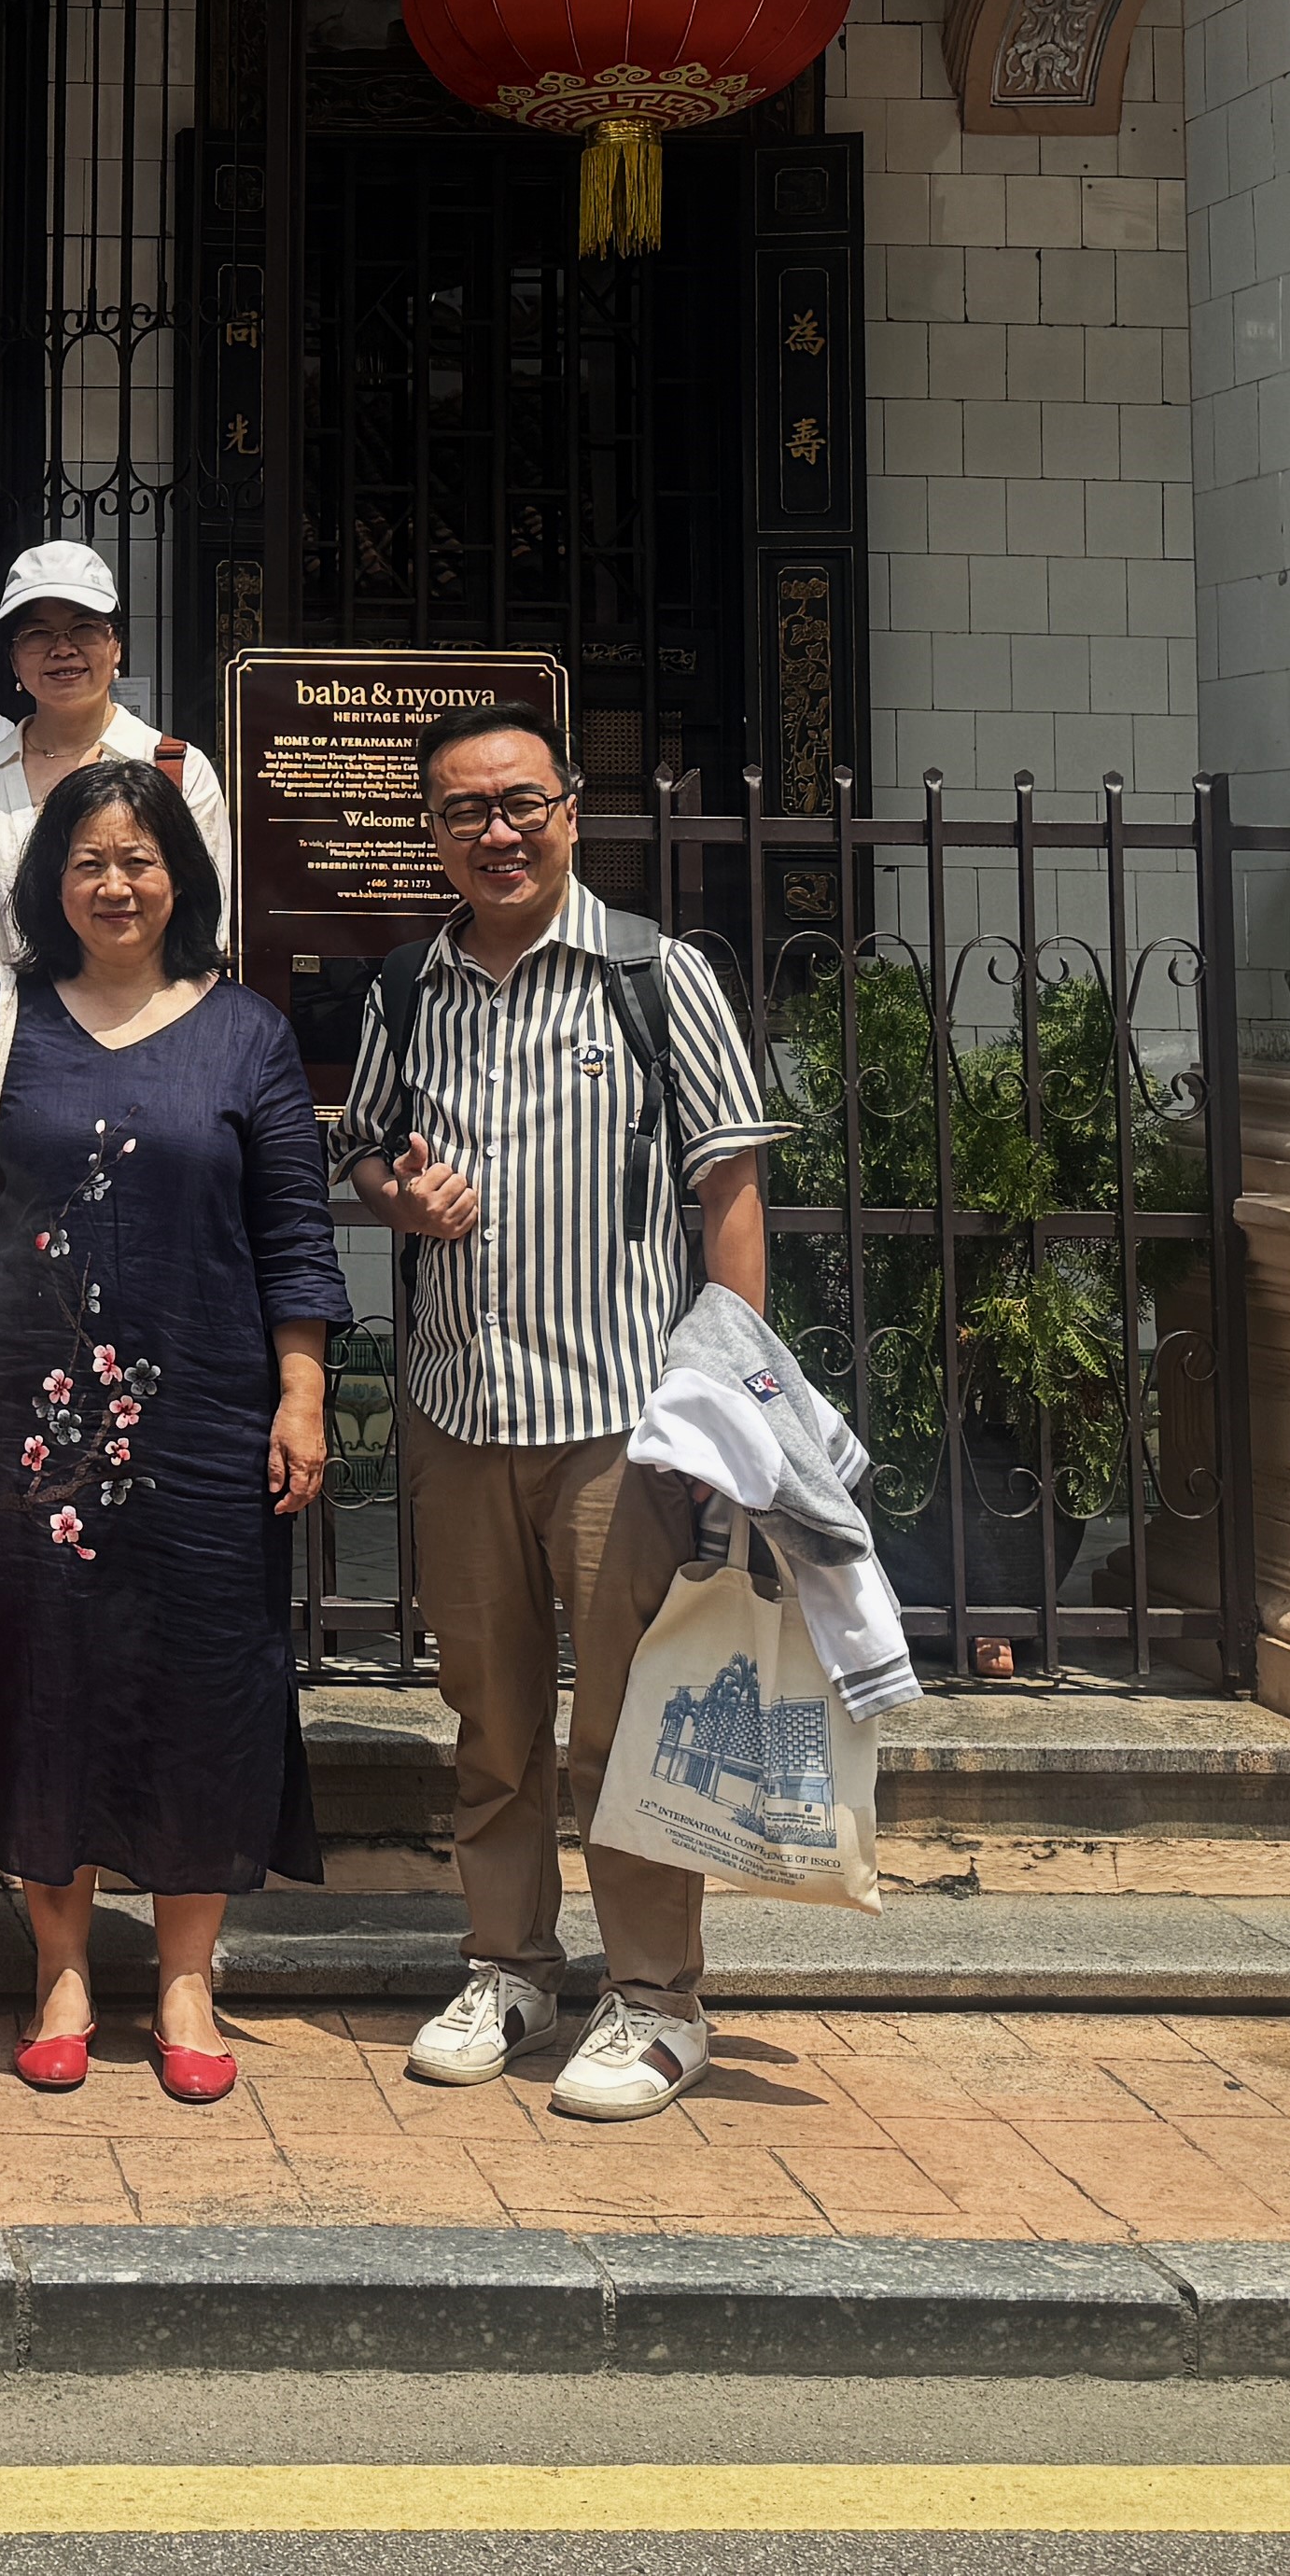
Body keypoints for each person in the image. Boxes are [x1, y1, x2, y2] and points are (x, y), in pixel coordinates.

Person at [336, 696, 784, 2125]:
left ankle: (656, 1998)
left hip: (621, 1417)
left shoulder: (657, 978)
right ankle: (510, 1964)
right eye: (463, 810)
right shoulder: (409, 988)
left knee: (633, 1727)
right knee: (492, 1720)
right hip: (462, 1412)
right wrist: (396, 1195)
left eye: (520, 802)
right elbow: (364, 1153)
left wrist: (730, 1403)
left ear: (571, 811)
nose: (497, 831)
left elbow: (731, 1192)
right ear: (432, 833)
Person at [0, 758, 339, 2106]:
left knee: (206, 1676)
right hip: (34, 1411)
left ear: (180, 879)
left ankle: (191, 1975)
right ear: (50, 883)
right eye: (88, 861)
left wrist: (303, 1390)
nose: (115, 883)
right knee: (49, 1677)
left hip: (208, 1415)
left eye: (139, 861)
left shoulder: (248, 1032)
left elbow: (295, 1236)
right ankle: (64, 1968)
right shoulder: (1, 1015)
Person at [0, 539, 243, 1011]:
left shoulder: (176, 771)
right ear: (12, 658)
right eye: (38, 633)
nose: (63, 648)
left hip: (150, 1038)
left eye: (83, 628)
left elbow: (204, 927)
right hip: (11, 1050)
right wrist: (12, 1031)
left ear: (116, 646)